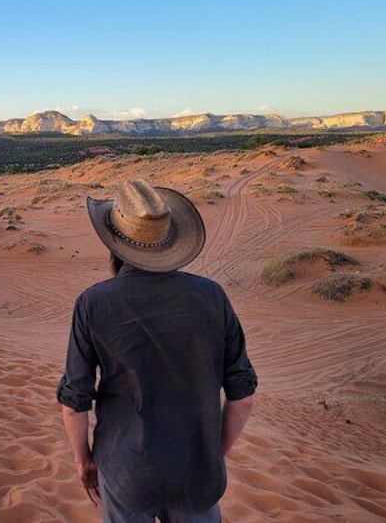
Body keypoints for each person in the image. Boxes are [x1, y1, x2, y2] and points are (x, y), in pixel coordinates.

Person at [56, 179, 258, 522]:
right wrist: (212, 454)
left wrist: (83, 459)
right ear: (171, 241)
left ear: (115, 243)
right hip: (197, 474)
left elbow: (75, 402)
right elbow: (243, 397)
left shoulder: (93, 303)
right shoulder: (212, 296)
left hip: (125, 471)